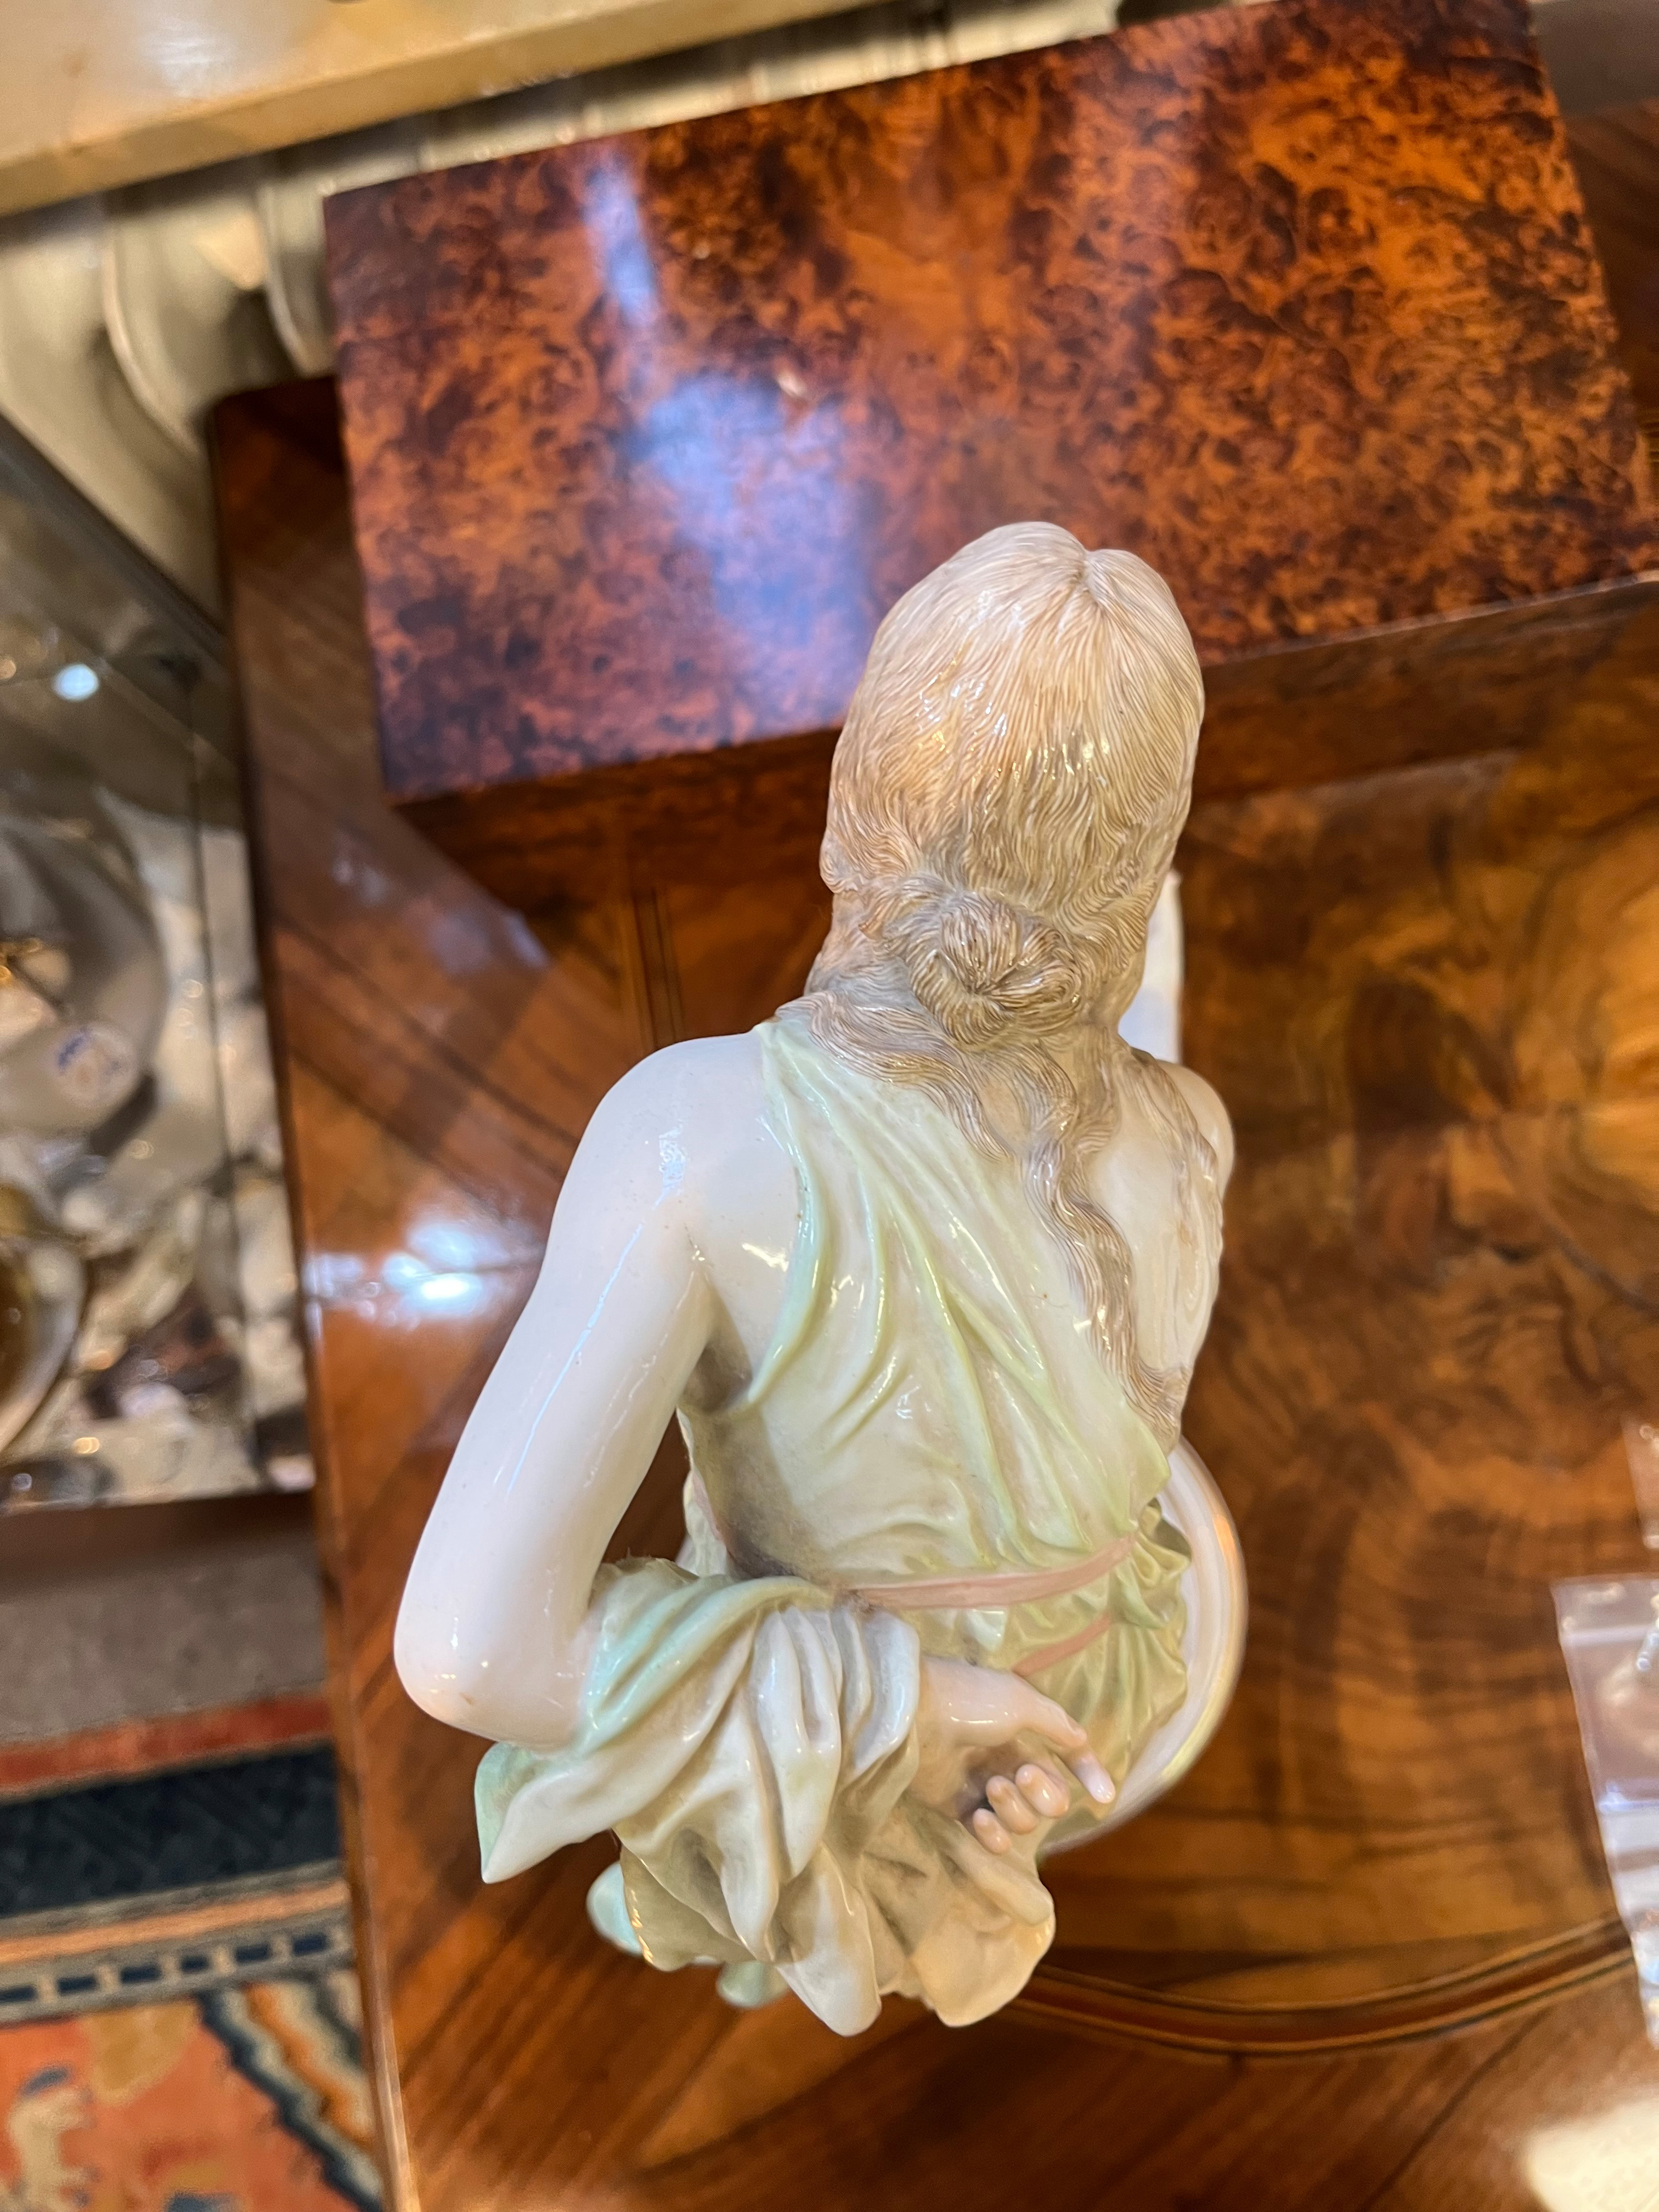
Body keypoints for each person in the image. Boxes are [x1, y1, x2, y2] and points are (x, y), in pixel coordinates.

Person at [394, 522, 1233, 2035]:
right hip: (1091, 1699)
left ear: (856, 804)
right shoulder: (1192, 1132)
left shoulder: (699, 1131)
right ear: (1144, 864)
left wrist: (899, 1705)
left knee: (803, 1887)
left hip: (849, 1741)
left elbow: (472, 1652)